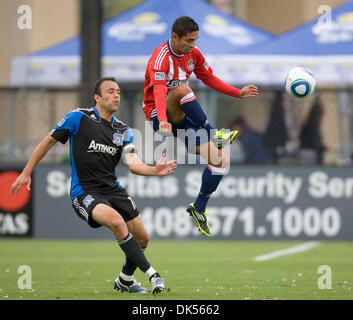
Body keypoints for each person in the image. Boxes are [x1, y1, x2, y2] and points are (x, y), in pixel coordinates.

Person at [10, 77, 177, 295]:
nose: (116, 95)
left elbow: (133, 163)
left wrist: (154, 170)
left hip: (112, 189)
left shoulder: (123, 130)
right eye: (110, 91)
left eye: (118, 91)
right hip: (85, 191)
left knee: (143, 236)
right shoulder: (78, 118)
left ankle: (125, 280)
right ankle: (154, 275)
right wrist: (26, 171)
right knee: (117, 222)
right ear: (97, 97)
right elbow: (48, 140)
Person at [142, 16, 258, 237]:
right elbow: (158, 90)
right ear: (175, 37)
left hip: (182, 117)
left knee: (221, 161)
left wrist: (238, 93)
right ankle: (215, 133)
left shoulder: (193, 55)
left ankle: (199, 207)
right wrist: (164, 120)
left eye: (195, 40)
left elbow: (210, 78)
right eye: (189, 40)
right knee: (183, 89)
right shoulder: (160, 59)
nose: (193, 45)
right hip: (159, 114)